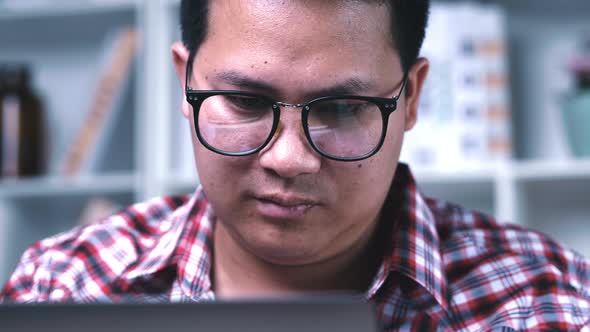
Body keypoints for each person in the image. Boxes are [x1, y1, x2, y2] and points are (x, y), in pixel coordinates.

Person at [2, 0, 589, 330]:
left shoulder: (552, 305)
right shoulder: (61, 288)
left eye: (340, 107)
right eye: (247, 102)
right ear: (184, 84)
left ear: (410, 99)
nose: (289, 159)